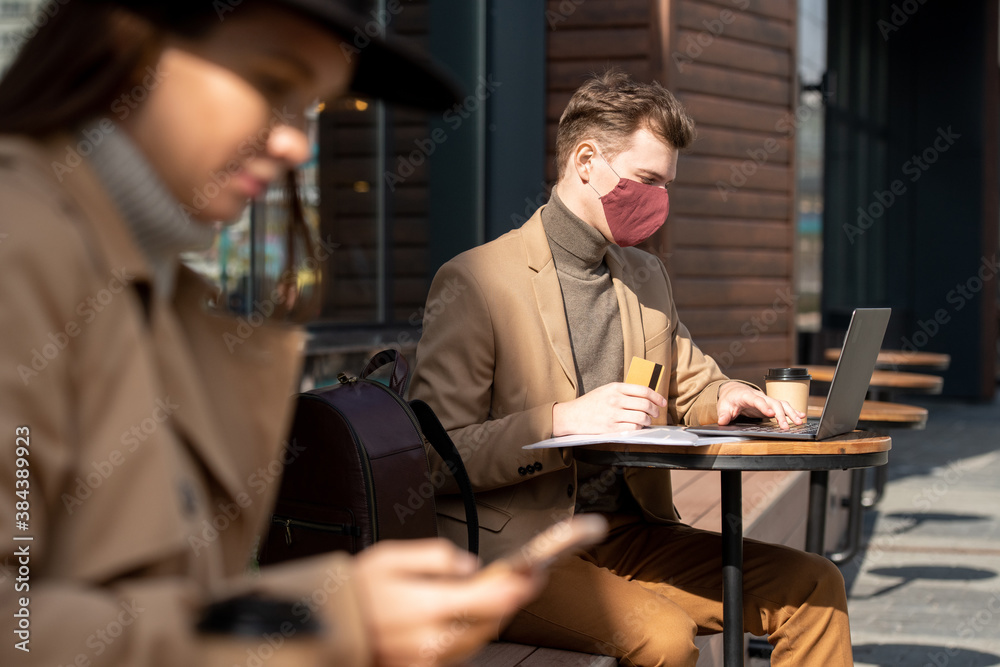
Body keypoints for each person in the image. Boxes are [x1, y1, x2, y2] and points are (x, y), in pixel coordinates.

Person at [0, 2, 541, 666]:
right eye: (271, 83)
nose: (296, 145)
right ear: (129, 42)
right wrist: (319, 618)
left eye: (311, 106)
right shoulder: (20, 248)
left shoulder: (162, 294)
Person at [410, 69, 854, 667]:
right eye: (647, 180)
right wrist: (562, 420)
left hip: (631, 535)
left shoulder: (645, 277)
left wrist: (729, 397)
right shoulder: (477, 282)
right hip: (517, 550)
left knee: (814, 587)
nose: (659, 200)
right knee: (664, 637)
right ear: (586, 160)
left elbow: (695, 380)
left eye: (667, 185)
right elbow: (435, 457)